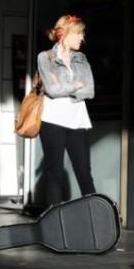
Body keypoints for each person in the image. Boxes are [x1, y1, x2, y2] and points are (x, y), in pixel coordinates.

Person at [37, 14, 96, 206]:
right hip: (52, 120)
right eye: (79, 33)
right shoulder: (45, 58)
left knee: (85, 174)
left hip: (78, 121)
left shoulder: (82, 58)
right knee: (54, 173)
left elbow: (90, 90)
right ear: (65, 33)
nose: (82, 38)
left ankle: (95, 219)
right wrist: (75, 85)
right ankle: (53, 223)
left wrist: (65, 86)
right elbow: (52, 91)